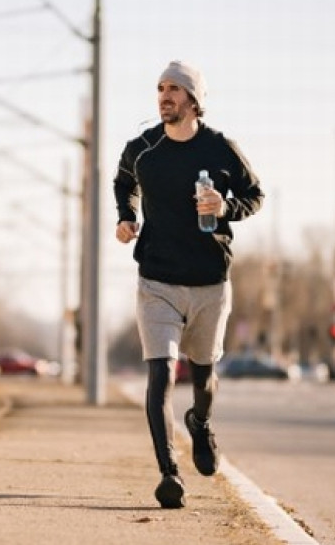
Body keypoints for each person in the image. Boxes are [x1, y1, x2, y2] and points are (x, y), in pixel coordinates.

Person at [112, 60, 264, 509]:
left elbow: (255, 196)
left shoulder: (221, 149)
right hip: (157, 279)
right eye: (160, 88)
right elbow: (124, 181)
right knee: (160, 375)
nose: (164, 96)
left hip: (210, 282)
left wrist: (226, 205)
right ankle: (168, 473)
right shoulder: (143, 147)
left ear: (194, 100)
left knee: (203, 374)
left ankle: (200, 422)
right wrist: (126, 216)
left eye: (174, 89)